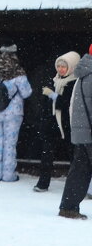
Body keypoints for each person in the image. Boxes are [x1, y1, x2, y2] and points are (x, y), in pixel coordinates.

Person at [0, 43, 32, 182]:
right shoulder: (18, 72)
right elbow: (27, 93)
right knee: (10, 143)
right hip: (13, 112)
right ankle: (8, 175)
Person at [36, 51, 80, 192]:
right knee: (47, 154)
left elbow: (68, 103)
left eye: (64, 66)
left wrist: (54, 96)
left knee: (73, 155)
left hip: (68, 124)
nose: (60, 69)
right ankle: (43, 183)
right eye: (59, 66)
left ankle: (74, 185)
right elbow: (45, 103)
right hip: (52, 124)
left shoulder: (75, 82)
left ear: (71, 67)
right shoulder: (53, 80)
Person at [58, 45, 92, 219]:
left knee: (80, 170)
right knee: (80, 170)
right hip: (89, 132)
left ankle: (68, 207)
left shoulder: (83, 72)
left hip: (82, 132)